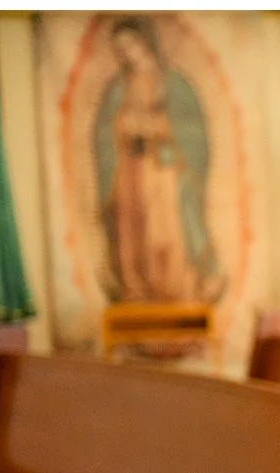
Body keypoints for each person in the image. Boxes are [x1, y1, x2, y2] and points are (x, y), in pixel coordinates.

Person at [95, 16, 221, 303]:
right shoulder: (118, 88)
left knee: (164, 232)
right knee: (133, 230)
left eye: (130, 44)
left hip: (164, 170)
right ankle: (136, 291)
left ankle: (176, 292)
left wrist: (159, 126)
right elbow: (104, 131)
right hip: (130, 170)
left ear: (144, 42)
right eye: (120, 47)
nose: (126, 52)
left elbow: (191, 130)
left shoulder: (173, 84)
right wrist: (122, 125)